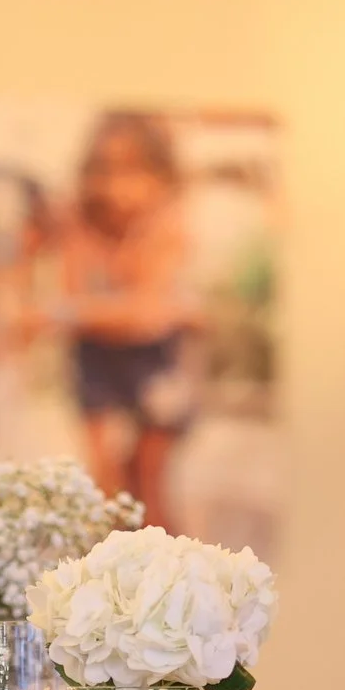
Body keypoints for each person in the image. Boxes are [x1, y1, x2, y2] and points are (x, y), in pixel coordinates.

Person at [59, 112, 196, 531]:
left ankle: (176, 581)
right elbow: (77, 298)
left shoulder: (170, 221)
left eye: (131, 170)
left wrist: (72, 312)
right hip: (96, 357)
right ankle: (107, 583)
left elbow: (147, 317)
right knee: (105, 481)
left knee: (151, 480)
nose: (117, 188)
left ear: (159, 174)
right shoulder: (79, 220)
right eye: (105, 170)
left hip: (156, 357)